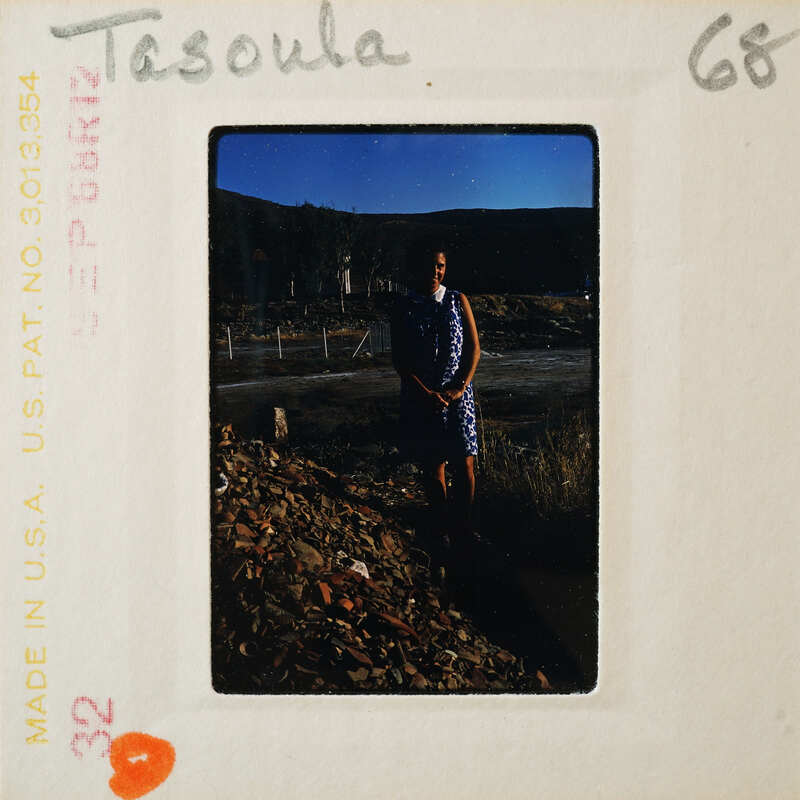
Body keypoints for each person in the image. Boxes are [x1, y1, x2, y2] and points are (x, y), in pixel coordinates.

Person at [391, 246, 481, 550]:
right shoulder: (404, 305)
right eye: (429, 266)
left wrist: (459, 387)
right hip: (422, 397)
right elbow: (400, 359)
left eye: (440, 266)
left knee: (465, 464)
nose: (435, 272)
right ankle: (441, 528)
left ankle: (463, 528)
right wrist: (425, 393)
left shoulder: (457, 299)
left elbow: (473, 349)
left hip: (457, 396)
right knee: (433, 465)